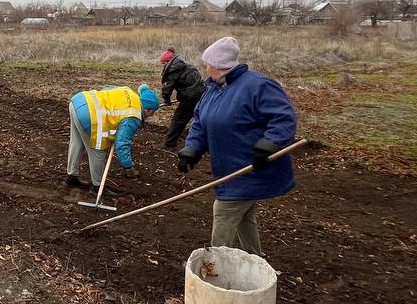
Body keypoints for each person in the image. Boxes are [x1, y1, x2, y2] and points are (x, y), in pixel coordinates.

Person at [176, 37, 297, 257]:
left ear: (217, 65)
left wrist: (268, 145)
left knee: (224, 211)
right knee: (243, 214)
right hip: (227, 168)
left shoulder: (257, 86)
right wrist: (191, 149)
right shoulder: (212, 91)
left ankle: (214, 267)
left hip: (250, 167)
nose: (205, 67)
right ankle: (254, 258)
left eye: (207, 63)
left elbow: (283, 117)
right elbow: (201, 123)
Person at [66, 84, 161, 196]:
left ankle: (71, 177)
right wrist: (128, 167)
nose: (152, 115)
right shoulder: (133, 116)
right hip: (88, 115)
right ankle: (97, 187)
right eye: (152, 112)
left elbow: (105, 89)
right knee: (98, 150)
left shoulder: (129, 91)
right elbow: (122, 144)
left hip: (78, 100)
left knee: (77, 143)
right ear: (147, 108)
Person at [159, 48, 204, 149]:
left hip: (190, 98)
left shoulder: (173, 71)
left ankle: (169, 144)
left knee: (178, 120)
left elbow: (167, 90)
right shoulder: (188, 66)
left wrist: (167, 100)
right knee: (202, 119)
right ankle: (204, 145)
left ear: (167, 62)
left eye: (163, 63)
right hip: (203, 95)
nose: (163, 66)